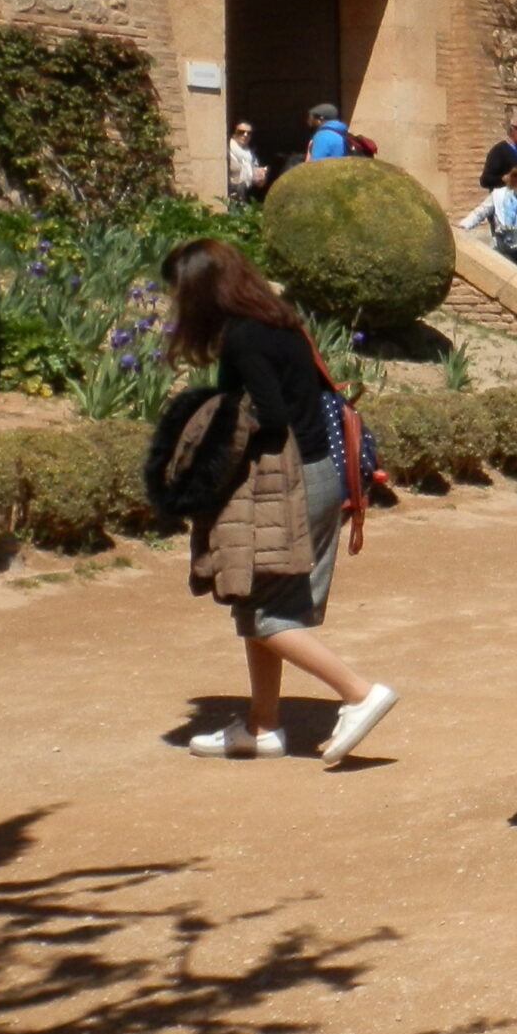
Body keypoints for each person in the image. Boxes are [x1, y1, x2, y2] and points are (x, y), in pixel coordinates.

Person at [162, 238, 398, 765]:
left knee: (263, 613)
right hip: (319, 474)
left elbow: (269, 415)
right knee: (263, 603)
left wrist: (207, 446)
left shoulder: (243, 337)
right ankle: (262, 726)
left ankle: (359, 693)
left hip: (286, 484)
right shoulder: (279, 321)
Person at [459, 161, 517, 280]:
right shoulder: (498, 195)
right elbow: (480, 213)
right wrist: (463, 226)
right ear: (516, 180)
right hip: (506, 250)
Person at [481, 112, 517, 191]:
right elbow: (485, 180)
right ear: (511, 129)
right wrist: (504, 179)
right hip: (505, 196)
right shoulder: (499, 151)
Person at [226, 121, 265, 210]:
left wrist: (260, 176)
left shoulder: (251, 154)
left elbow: (258, 181)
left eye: (249, 133)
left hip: (246, 194)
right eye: (241, 132)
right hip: (230, 194)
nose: (245, 135)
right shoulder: (227, 150)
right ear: (234, 133)